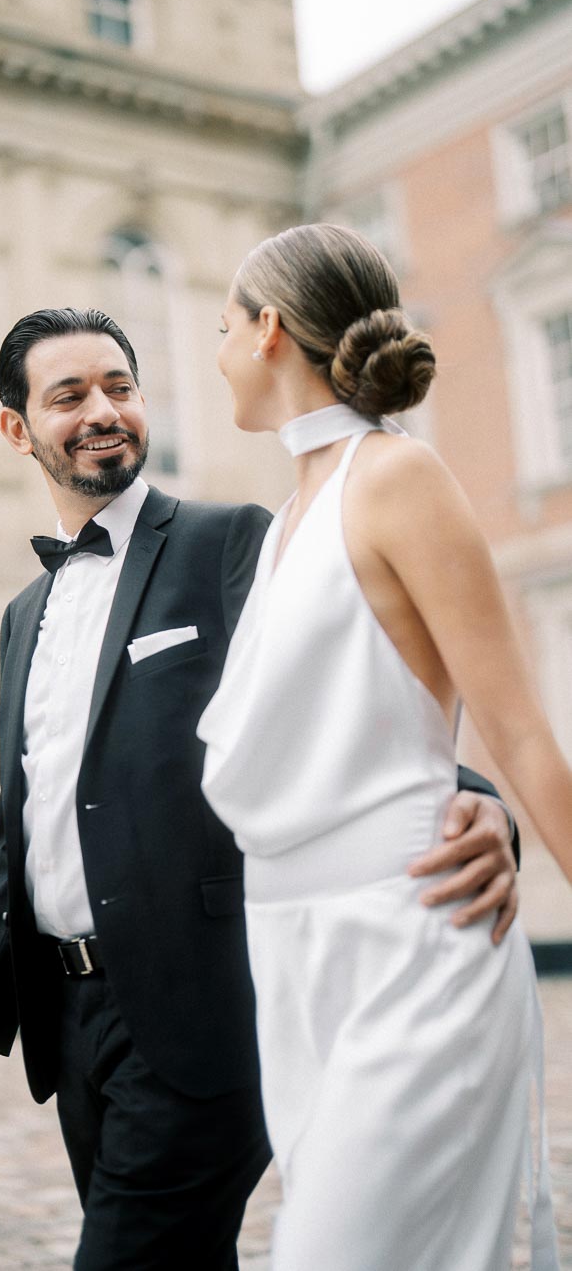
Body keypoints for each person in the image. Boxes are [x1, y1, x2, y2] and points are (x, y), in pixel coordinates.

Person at [0, 306, 520, 1271]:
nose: (102, 411)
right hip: (73, 1029)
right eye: (69, 396)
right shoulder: (23, 615)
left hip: (200, 1008)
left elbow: (350, 691)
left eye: (119, 386)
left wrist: (471, 795)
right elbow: (23, 833)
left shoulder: (228, 543)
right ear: (17, 430)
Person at [198, 223, 570, 1270]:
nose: (215, 350)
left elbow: (522, 731)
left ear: (270, 331)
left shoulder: (397, 478)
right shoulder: (281, 525)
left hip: (412, 940)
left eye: (223, 326)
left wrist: (497, 813)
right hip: (293, 956)